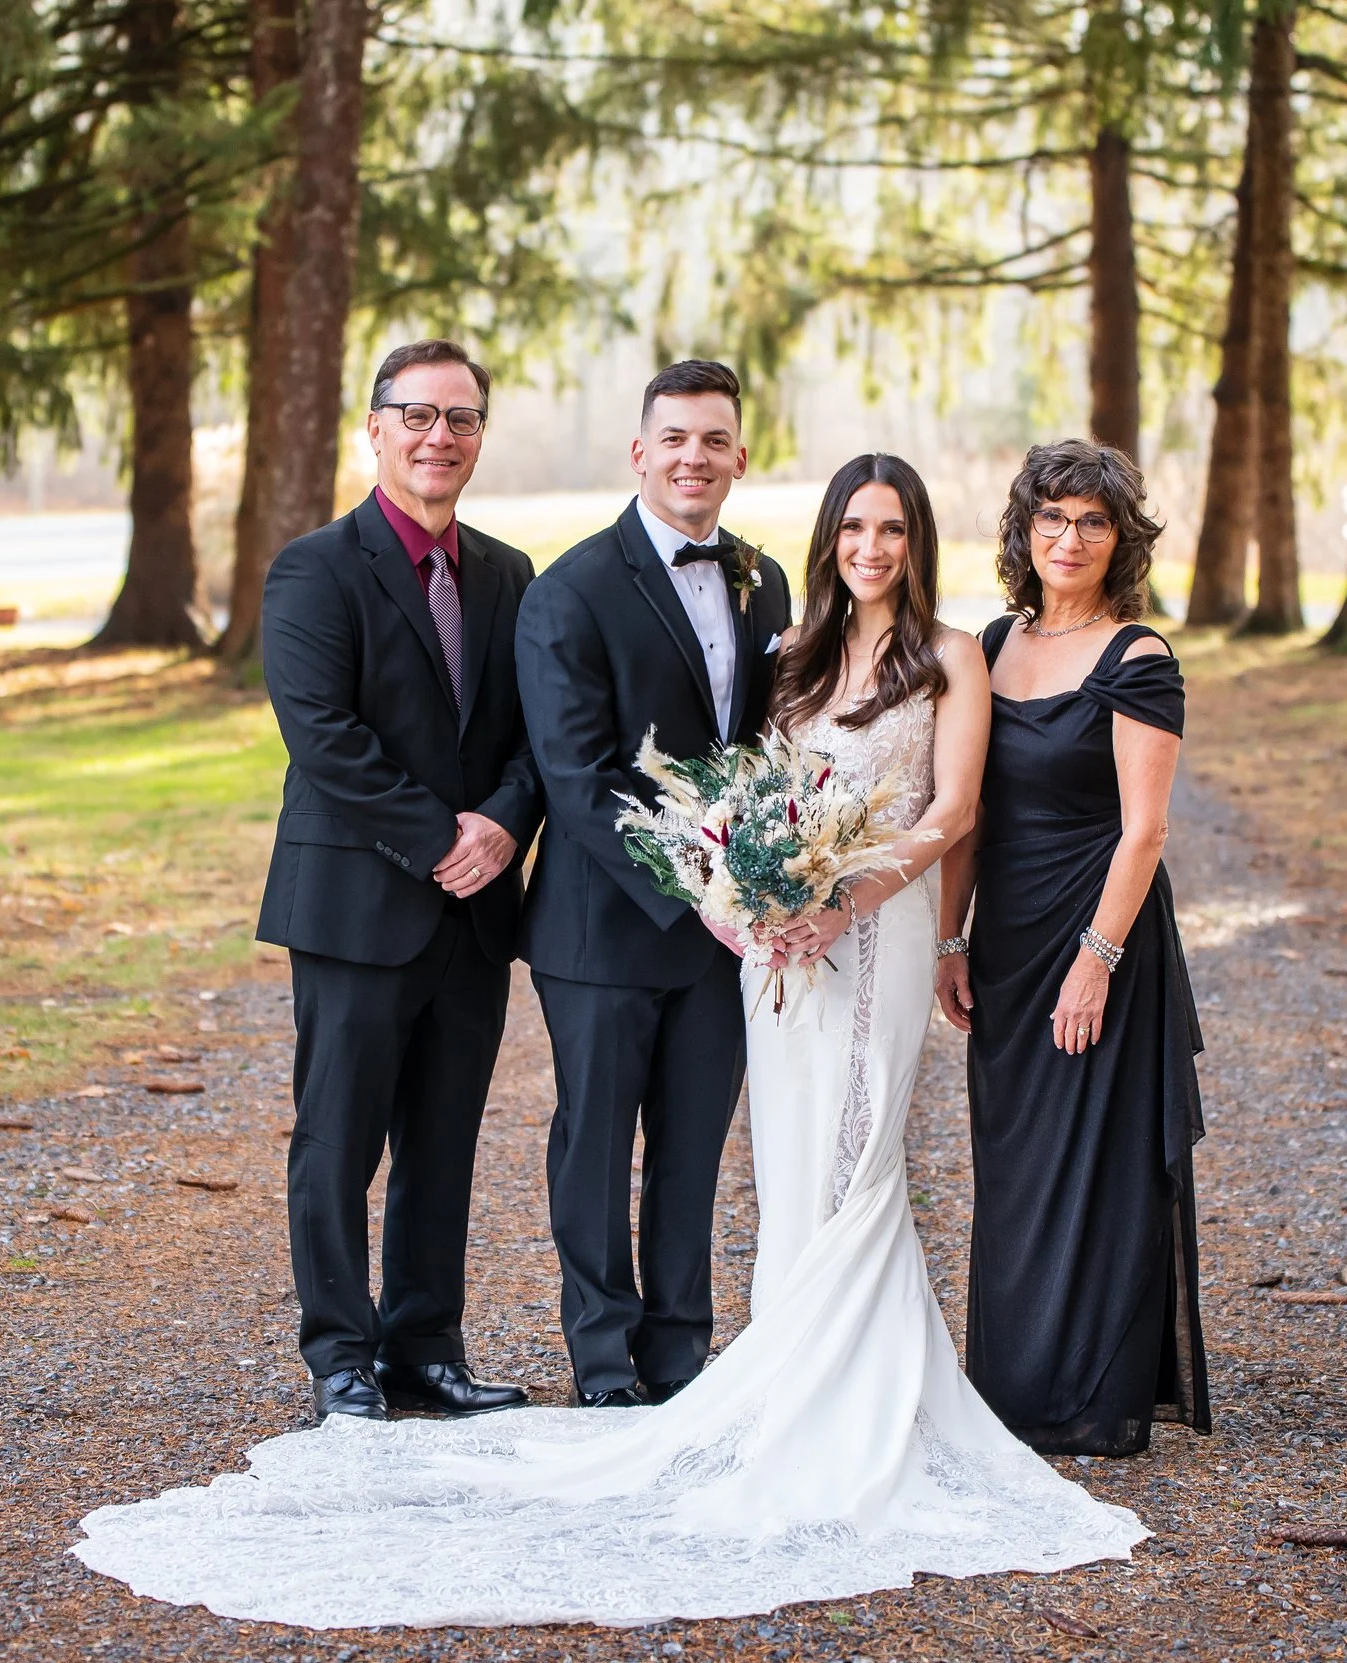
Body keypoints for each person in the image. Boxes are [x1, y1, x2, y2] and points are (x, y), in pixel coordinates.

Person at [69, 450, 1147, 1628]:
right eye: (854, 526)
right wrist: (740, 890)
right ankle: (682, 1375)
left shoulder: (921, 647)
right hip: (741, 938)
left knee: (838, 1158)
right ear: (822, 532)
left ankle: (828, 1389)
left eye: (892, 528)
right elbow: (669, 776)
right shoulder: (726, 629)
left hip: (853, 936)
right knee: (739, 1157)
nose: (871, 547)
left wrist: (857, 904)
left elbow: (953, 809)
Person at [248, 339, 541, 1423]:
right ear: (374, 429)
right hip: (359, 903)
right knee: (339, 1136)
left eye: (460, 419)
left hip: (471, 914)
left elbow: (532, 734)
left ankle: (426, 1345)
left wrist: (506, 826)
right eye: (416, 416)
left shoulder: (508, 574)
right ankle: (340, 1353)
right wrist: (438, 839)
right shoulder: (316, 568)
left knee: (442, 1138)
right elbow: (324, 736)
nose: (438, 437)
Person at [512, 359, 793, 1407]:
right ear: (639, 452)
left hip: (727, 937)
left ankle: (680, 1351)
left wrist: (763, 881)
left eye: (713, 439)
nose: (694, 457)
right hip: (604, 926)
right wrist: (696, 895)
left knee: (691, 1146)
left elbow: (769, 746)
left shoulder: (765, 579)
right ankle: (601, 1356)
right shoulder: (570, 590)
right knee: (595, 1144)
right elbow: (579, 784)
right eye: (674, 437)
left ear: (739, 457)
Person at [935, 438, 1212, 1458]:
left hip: (1098, 933)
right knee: (1013, 1164)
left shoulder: (1137, 658)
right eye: (1050, 518)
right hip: (1004, 940)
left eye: (1091, 521)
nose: (1069, 538)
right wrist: (951, 939)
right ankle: (1011, 1385)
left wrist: (1095, 958)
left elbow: (1143, 829)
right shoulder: (989, 643)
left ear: (1118, 538)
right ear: (1023, 530)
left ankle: (1087, 1397)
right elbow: (963, 814)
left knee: (1091, 1165)